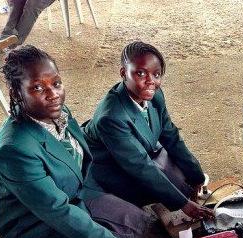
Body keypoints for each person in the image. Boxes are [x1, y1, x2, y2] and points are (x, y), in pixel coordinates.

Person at [0, 45, 164, 238]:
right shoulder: (14, 149)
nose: (53, 94)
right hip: (36, 224)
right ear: (17, 93)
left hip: (72, 193)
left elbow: (79, 160)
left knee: (138, 224)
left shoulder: (58, 112)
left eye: (56, 83)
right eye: (37, 88)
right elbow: (58, 212)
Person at [83, 41, 213, 220]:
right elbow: (140, 166)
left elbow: (171, 136)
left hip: (138, 152)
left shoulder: (155, 95)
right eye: (141, 73)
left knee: (183, 183)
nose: (151, 81)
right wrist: (184, 204)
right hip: (110, 165)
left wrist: (196, 174)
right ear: (123, 73)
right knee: (144, 208)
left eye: (156, 74)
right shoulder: (111, 117)